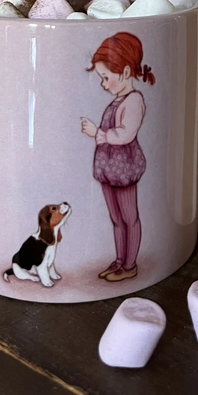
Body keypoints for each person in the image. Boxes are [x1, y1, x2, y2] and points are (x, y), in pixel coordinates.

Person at [80, 32, 154, 282]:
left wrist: (98, 133)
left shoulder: (134, 100)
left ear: (124, 73)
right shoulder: (119, 100)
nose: (103, 84)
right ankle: (120, 259)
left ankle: (130, 263)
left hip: (123, 170)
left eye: (105, 77)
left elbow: (126, 134)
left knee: (129, 217)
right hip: (109, 169)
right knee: (116, 218)